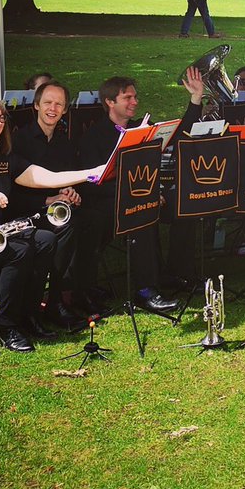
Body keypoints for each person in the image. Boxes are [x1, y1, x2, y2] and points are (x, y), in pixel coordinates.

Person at [0, 94, 104, 352]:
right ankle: (7, 326)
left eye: (1, 118)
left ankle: (29, 315)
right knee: (19, 251)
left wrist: (90, 174)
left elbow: (45, 177)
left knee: (46, 240)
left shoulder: (4, 159)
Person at [76, 76, 179, 313]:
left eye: (135, 96)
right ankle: (145, 290)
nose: (134, 102)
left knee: (178, 202)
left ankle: (167, 273)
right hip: (103, 202)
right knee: (140, 212)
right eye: (127, 97)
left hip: (137, 195)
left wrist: (154, 191)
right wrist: (137, 195)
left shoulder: (140, 128)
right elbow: (93, 185)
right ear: (110, 102)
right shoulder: (94, 136)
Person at [10, 81, 88, 327]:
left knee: (83, 222)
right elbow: (9, 193)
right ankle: (50, 302)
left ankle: (64, 296)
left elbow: (69, 179)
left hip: (56, 211)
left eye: (59, 104)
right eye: (48, 103)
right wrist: (48, 199)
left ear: (65, 110)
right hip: (23, 212)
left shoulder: (64, 142)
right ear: (36, 105)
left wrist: (71, 193)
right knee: (66, 230)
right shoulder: (18, 141)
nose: (53, 109)